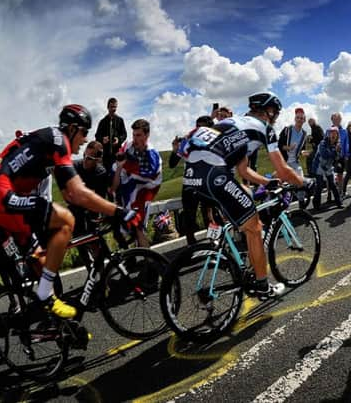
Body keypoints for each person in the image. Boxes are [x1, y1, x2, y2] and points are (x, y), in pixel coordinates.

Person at [0, 105, 139, 318]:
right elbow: (76, 194)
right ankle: (45, 296)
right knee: (66, 221)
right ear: (72, 129)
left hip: (8, 200)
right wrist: (119, 212)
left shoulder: (49, 143)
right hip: (4, 196)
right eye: (84, 133)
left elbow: (67, 193)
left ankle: (53, 322)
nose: (84, 140)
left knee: (40, 260)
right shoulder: (58, 140)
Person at [176, 92, 308, 299]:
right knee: (255, 227)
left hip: (192, 178)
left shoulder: (233, 123)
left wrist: (266, 182)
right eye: (276, 113)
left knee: (244, 197)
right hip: (215, 175)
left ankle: (234, 255)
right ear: (270, 111)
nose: (275, 117)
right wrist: (305, 182)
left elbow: (244, 171)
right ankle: (263, 286)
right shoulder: (265, 128)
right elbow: (283, 170)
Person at [111, 119, 162, 248]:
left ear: (147, 135)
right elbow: (119, 167)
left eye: (138, 135)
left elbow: (151, 173)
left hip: (148, 187)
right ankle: (138, 253)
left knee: (137, 224)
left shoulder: (152, 153)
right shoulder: (128, 146)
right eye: (133, 134)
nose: (135, 138)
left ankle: (149, 258)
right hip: (130, 185)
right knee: (129, 223)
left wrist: (128, 166)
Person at [170, 115, 216, 244]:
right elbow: (172, 164)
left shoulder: (214, 141)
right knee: (189, 219)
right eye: (197, 126)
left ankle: (215, 242)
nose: (199, 130)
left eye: (202, 127)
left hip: (206, 183)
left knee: (209, 216)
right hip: (189, 184)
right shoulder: (189, 141)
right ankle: (191, 247)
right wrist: (175, 150)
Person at [69, 141, 109, 237]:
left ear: (97, 160)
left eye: (89, 158)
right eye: (84, 155)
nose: (85, 160)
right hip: (76, 207)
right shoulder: (74, 166)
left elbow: (100, 197)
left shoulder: (101, 172)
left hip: (92, 207)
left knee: (94, 237)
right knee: (78, 236)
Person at [312, 127, 343, 210]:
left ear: (337, 135)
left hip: (329, 167)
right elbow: (324, 154)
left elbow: (337, 157)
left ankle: (339, 203)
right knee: (319, 186)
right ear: (328, 134)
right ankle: (316, 205)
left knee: (333, 185)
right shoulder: (323, 143)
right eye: (331, 133)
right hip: (319, 166)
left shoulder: (338, 145)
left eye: (335, 133)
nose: (333, 134)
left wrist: (336, 154)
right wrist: (335, 152)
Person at [95, 97, 127, 175]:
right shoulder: (102, 122)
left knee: (118, 175)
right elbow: (97, 136)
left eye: (115, 107)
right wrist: (102, 139)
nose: (113, 109)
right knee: (107, 176)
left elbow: (124, 134)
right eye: (111, 107)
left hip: (117, 154)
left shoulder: (120, 120)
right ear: (107, 107)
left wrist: (118, 140)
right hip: (106, 156)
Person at [278, 108, 308, 177]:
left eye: (301, 118)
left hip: (295, 162)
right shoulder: (287, 130)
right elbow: (279, 146)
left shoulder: (304, 134)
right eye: (297, 118)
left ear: (304, 120)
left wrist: (303, 152)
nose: (299, 120)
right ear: (295, 119)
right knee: (281, 180)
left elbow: (302, 149)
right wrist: (289, 148)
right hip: (284, 161)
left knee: (300, 180)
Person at [331, 113, 350, 194]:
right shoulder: (328, 130)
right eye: (334, 119)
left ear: (340, 120)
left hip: (340, 156)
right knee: (330, 176)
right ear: (332, 120)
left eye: (338, 119)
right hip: (330, 156)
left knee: (340, 174)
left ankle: (340, 192)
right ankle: (329, 193)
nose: (336, 121)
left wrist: (346, 155)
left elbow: (346, 144)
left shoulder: (344, 131)